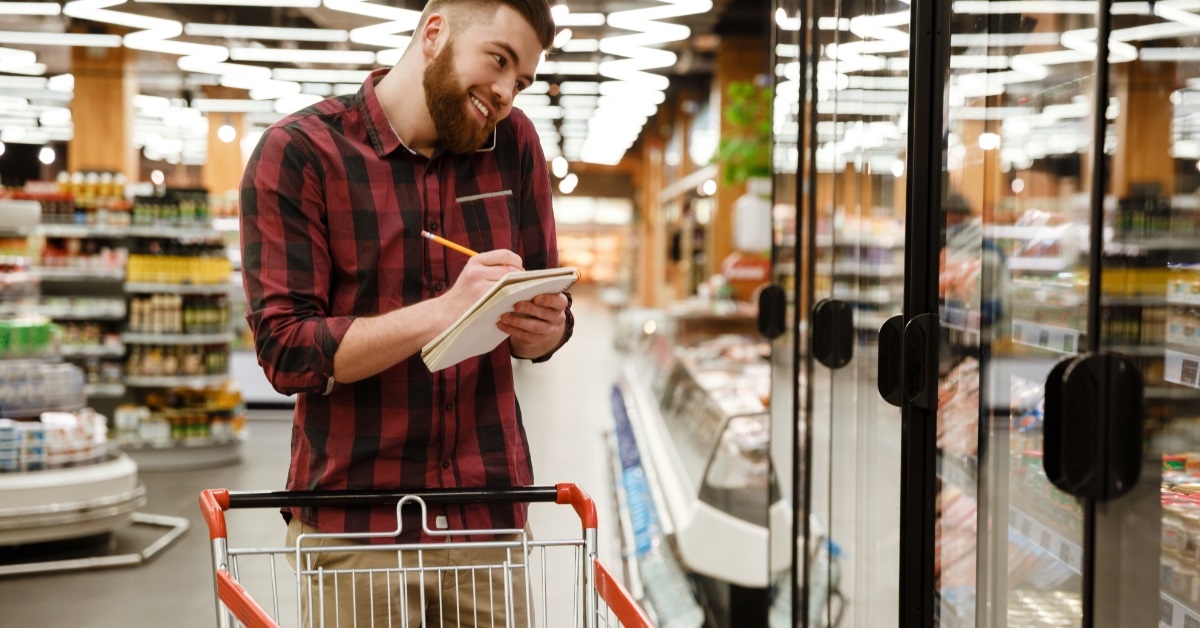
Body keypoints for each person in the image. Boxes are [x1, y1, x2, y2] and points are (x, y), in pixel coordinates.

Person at [237, 0, 570, 625]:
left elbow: (540, 313)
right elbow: (286, 351)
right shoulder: (301, 153)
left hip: (486, 519)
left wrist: (545, 328)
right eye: (498, 61)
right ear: (435, 32)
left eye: (520, 80)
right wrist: (446, 310)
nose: (505, 93)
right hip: (357, 526)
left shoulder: (515, 145)